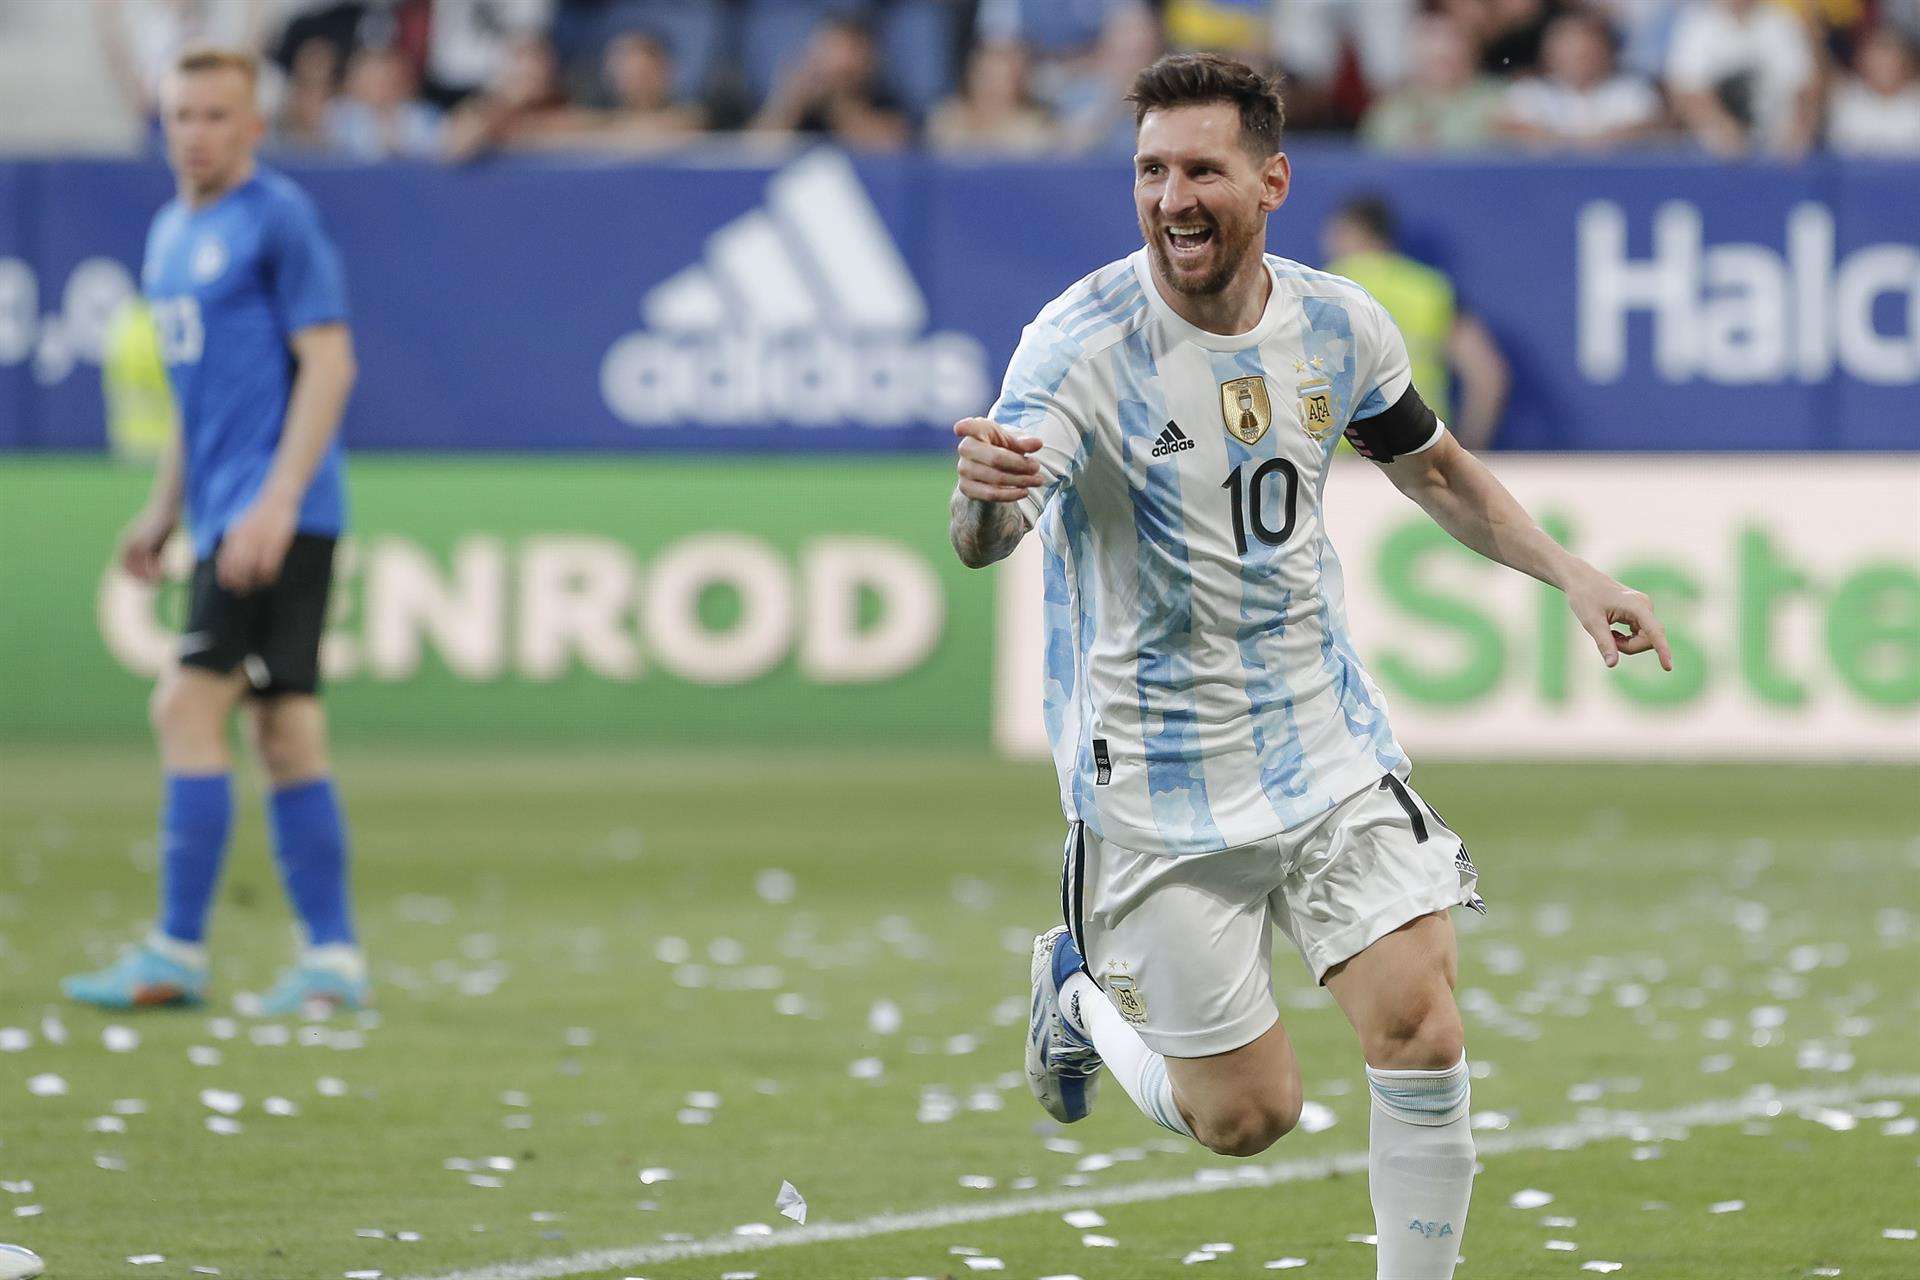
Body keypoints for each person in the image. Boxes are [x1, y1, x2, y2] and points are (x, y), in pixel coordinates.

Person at [947, 54, 1670, 1280]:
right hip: (1157, 779)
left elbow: (1433, 467)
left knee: (1421, 1026)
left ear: (1270, 181)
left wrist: (1573, 574)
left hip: (1320, 739)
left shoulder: (1338, 324)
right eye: (1150, 170)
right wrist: (981, 504)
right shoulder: (1077, 346)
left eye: (1201, 170)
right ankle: (1076, 994)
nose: (1172, 197)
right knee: (1248, 1115)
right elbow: (993, 533)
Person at [63, 46, 368, 1018]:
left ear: (253, 127)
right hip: (231, 510)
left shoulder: (277, 217)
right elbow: (199, 401)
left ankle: (175, 951)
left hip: (277, 515)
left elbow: (330, 364)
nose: (194, 133)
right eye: (181, 114)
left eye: (214, 116)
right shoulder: (164, 237)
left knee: (185, 707)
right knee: (284, 728)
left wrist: (276, 499)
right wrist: (162, 509)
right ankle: (333, 960)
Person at [1322, 196, 1508, 452]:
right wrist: (1467, 451)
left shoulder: (1322, 290)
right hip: (1420, 452)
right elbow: (1487, 376)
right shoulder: (1428, 289)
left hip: (1339, 457)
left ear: (1351, 231)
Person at [1666, 0, 1819, 157]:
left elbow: (1804, 85)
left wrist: (1800, 126)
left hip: (1780, 149)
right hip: (1712, 152)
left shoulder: (1783, 22)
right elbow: (1684, 90)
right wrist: (1719, 126)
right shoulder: (1696, 25)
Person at [1497, 10, 1665, 151]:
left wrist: (1570, 145)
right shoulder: (1529, 91)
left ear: (1605, 51)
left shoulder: (1632, 91)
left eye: (1587, 50)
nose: (1578, 58)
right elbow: (1509, 128)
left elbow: (1647, 128)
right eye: (1570, 50)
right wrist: (1579, 145)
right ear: (1549, 53)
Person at [749, 15, 909, 151]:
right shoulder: (802, 103)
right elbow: (750, 153)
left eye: (848, 52)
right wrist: (790, 104)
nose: (838, 63)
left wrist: (838, 104)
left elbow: (892, 147)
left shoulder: (884, 97)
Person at [1361, 13, 1505, 152]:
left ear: (1472, 53)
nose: (1441, 67)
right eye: (1434, 60)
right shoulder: (1390, 110)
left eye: (1447, 59)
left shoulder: (1498, 101)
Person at [1826, 25, 1920, 156]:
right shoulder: (1845, 101)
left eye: (1890, 59)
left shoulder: (1915, 102)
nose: (1883, 67)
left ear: (1904, 62)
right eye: (1877, 60)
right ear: (1863, 62)